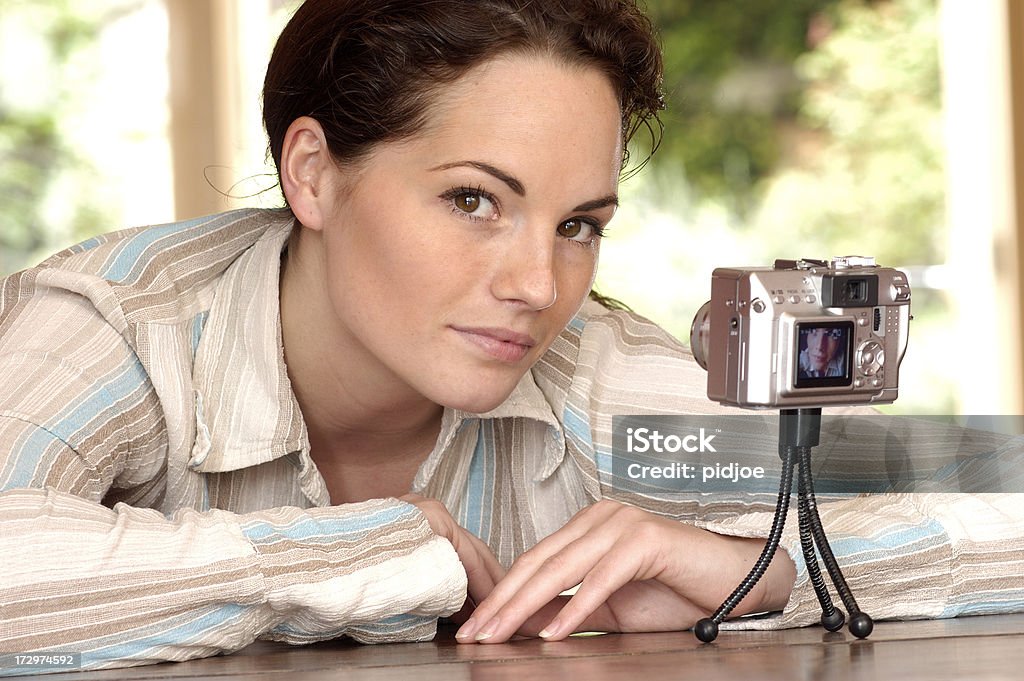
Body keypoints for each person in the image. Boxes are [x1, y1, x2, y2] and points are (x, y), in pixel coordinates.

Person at [1, 0, 1022, 674]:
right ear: (311, 173)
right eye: (473, 200)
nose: (541, 286)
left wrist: (757, 567)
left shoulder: (599, 377)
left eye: (579, 224)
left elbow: (998, 505)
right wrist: (371, 550)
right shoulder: (114, 327)